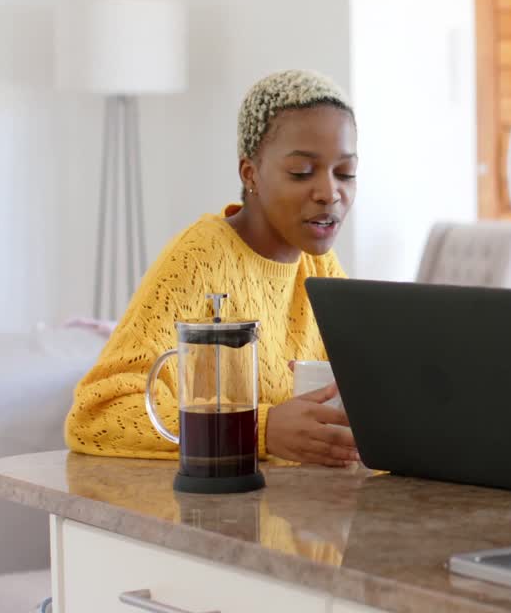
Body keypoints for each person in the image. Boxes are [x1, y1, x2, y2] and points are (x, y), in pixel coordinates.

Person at [65, 69, 360, 467]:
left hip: (297, 500)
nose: (329, 193)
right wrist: (258, 430)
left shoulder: (319, 266)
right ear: (250, 173)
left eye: (345, 173)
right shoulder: (200, 258)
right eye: (301, 173)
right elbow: (98, 413)